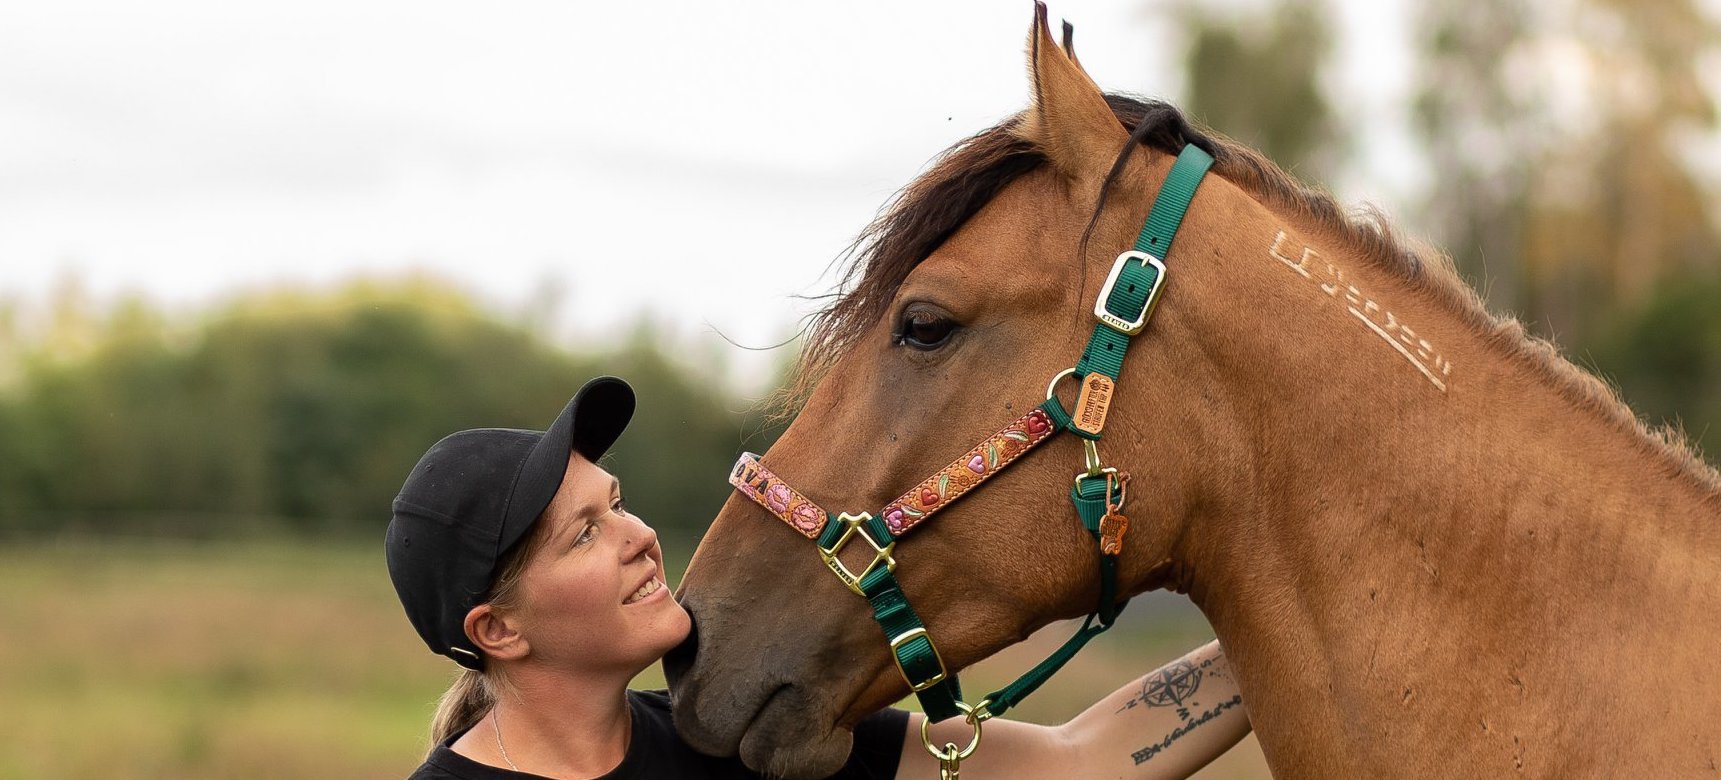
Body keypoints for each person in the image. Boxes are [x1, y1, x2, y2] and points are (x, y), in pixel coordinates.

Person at [387, 376, 1251, 779]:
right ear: (497, 629)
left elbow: (1077, 761)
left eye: (616, 504)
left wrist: (1294, 627)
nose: (640, 537)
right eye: (583, 534)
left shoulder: (750, 735)